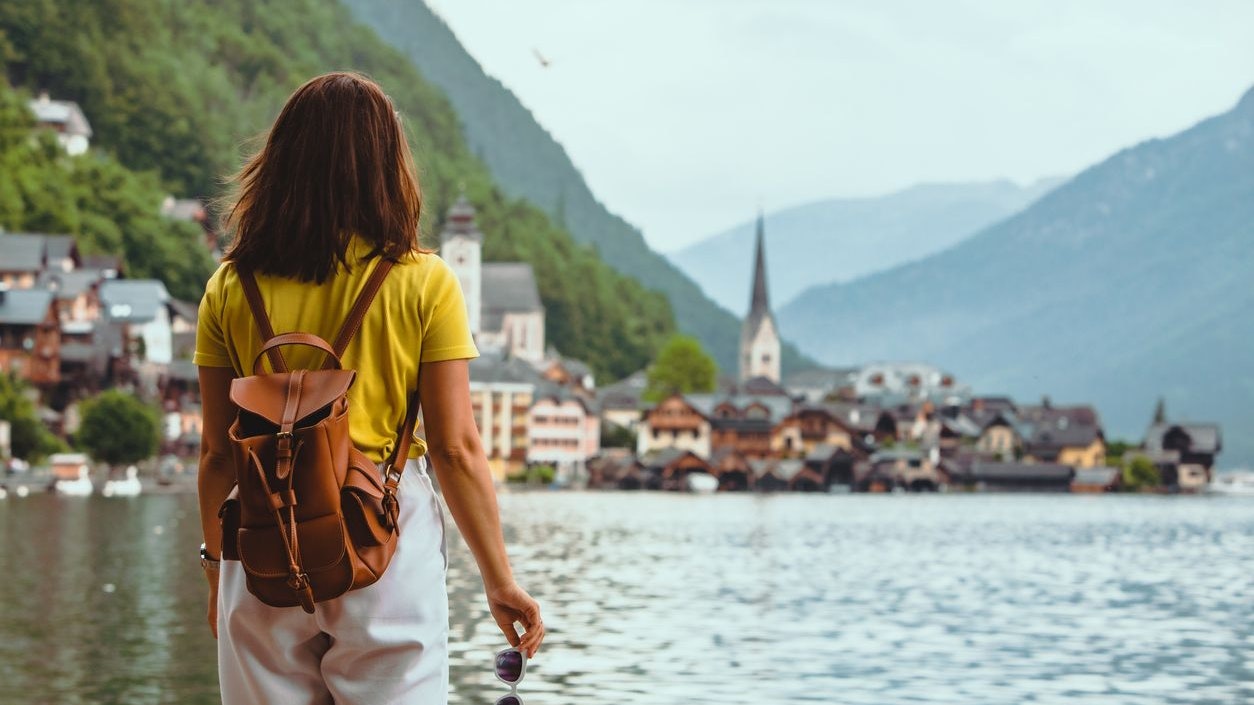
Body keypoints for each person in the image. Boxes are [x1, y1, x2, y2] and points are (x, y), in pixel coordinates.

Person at [194, 71, 544, 704]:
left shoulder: (229, 285)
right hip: (384, 532)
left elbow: (218, 451)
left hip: (261, 538)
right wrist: (498, 581)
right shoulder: (423, 282)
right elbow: (456, 449)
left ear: (280, 163)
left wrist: (217, 569)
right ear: (387, 167)